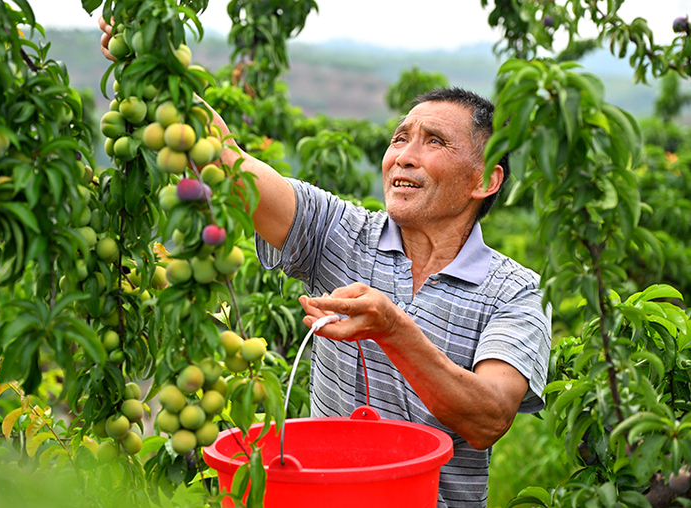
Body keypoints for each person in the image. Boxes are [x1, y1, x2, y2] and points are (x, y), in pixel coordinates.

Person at [100, 22, 551, 508]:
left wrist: (394, 330)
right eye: (400, 138)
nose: (404, 156)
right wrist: (160, 73)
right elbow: (230, 163)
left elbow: (487, 418)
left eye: (435, 142)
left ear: (485, 179)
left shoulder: (515, 292)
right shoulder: (340, 231)